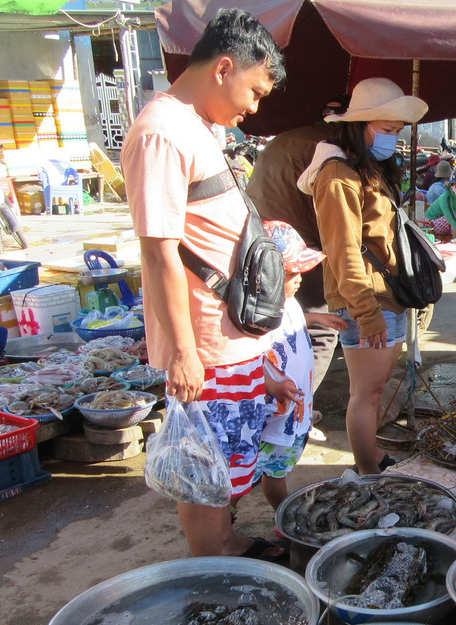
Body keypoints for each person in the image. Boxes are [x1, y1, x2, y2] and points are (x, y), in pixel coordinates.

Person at [121, 8, 287, 559]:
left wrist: (260, 368)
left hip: (229, 341)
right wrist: (185, 355)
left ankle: (229, 543)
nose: (254, 107)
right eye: (255, 90)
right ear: (223, 68)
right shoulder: (161, 133)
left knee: (228, 461)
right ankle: (210, 565)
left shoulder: (196, 127)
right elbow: (159, 249)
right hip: (204, 350)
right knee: (203, 465)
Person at [296, 76, 428, 475]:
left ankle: (371, 459)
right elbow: (342, 251)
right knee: (366, 394)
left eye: (397, 131)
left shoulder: (361, 166)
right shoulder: (336, 174)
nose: (393, 138)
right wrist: (366, 312)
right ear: (360, 125)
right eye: (387, 130)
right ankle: (367, 473)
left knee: (375, 389)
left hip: (385, 293)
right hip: (365, 299)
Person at [247, 96, 349, 433]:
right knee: (319, 332)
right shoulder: (328, 148)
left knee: (274, 324)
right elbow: (332, 217)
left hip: (256, 241)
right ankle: (297, 406)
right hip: (293, 247)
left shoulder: (289, 138)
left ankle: (276, 399)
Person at [254, 221, 346, 509]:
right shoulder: (255, 314)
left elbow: (291, 323)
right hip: (274, 412)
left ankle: (282, 511)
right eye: (292, 273)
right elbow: (248, 362)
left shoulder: (289, 301)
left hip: (295, 411)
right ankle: (282, 513)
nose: (300, 279)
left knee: (278, 467)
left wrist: (316, 319)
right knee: (262, 470)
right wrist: (272, 385)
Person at [425, 170, 456, 242]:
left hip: (447, 223)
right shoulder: (446, 197)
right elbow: (452, 218)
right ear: (451, 185)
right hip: (430, 225)